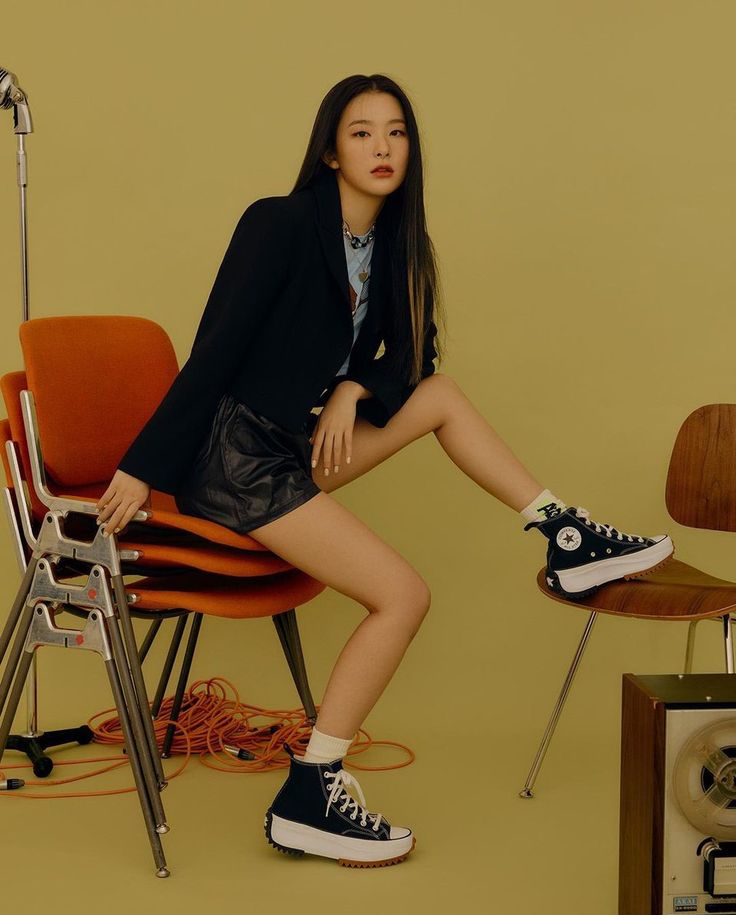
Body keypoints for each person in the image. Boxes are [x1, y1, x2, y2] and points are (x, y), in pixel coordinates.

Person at [95, 73, 673, 868]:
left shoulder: (397, 247)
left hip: (294, 449)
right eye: (362, 132)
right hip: (235, 460)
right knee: (402, 595)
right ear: (331, 150)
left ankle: (561, 533)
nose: (381, 147)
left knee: (437, 394)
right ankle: (311, 787)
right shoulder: (281, 224)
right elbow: (215, 353)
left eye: (396, 132)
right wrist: (140, 466)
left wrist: (354, 386)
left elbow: (414, 360)